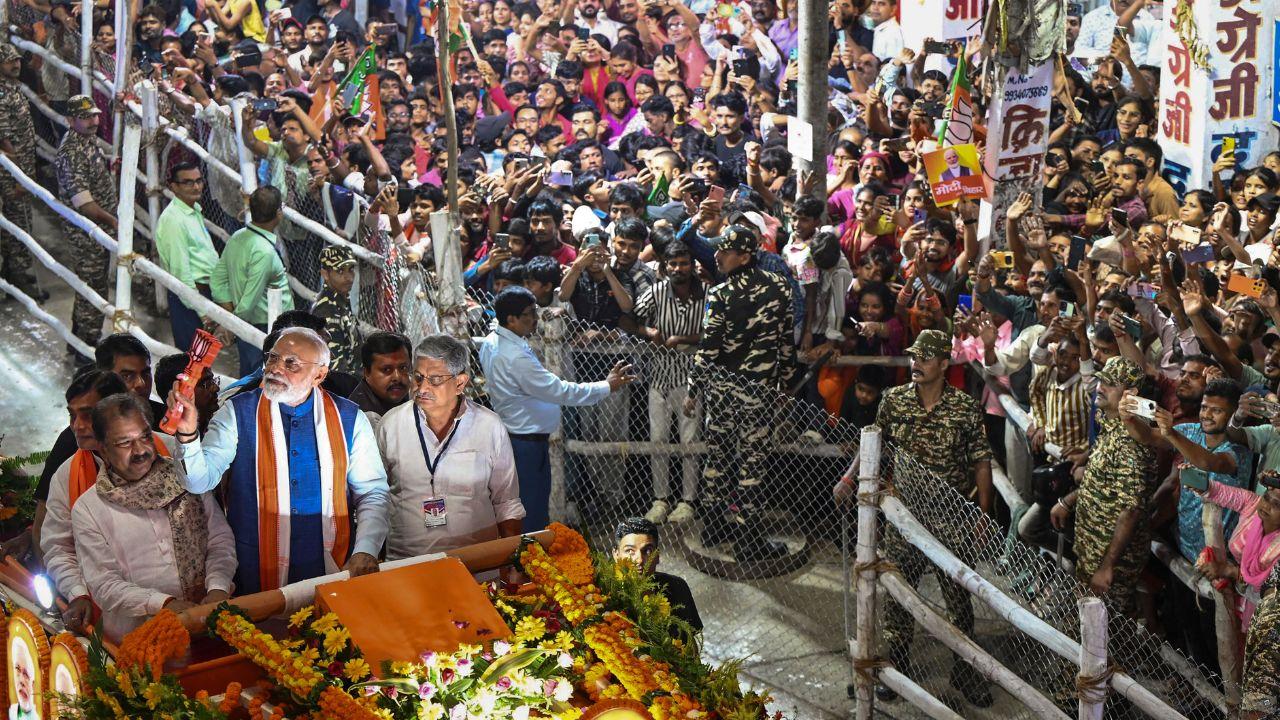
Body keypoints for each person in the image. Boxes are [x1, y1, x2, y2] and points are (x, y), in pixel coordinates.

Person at [169, 327, 389, 594]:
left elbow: (372, 493)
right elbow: (199, 482)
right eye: (273, 358)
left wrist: (365, 549)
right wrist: (188, 434)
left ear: (319, 374)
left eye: (291, 363)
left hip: (332, 567)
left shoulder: (350, 418)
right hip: (254, 571)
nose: (275, 368)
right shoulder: (237, 412)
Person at [868, 329, 994, 707]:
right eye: (913, 356)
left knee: (958, 599)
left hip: (951, 519)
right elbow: (875, 444)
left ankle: (964, 669)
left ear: (944, 363)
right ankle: (898, 663)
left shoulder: (965, 408)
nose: (915, 363)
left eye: (924, 357)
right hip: (904, 517)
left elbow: (981, 462)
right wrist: (858, 482)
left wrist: (983, 515)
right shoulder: (893, 400)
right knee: (898, 593)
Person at [71, 393, 235, 642]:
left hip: (210, 622)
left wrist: (217, 588)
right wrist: (162, 604)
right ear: (103, 448)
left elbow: (220, 541)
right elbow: (104, 584)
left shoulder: (186, 479)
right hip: (141, 640)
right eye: (125, 443)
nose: (140, 451)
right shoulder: (89, 508)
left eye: (145, 437)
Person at [478, 286, 636, 532]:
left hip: (518, 437)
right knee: (532, 510)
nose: (536, 318)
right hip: (526, 444)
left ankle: (529, 558)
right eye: (530, 313)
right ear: (511, 319)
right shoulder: (514, 357)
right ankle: (531, 562)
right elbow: (562, 391)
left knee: (526, 507)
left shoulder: (492, 340)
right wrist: (607, 386)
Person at [686, 224, 796, 562]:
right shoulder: (780, 286)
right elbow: (786, 340)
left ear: (745, 256)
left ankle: (715, 526)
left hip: (722, 392)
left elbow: (709, 347)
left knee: (717, 456)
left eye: (724, 251)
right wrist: (788, 383)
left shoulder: (720, 294)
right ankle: (748, 538)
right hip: (759, 392)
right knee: (753, 463)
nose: (717, 256)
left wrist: (694, 388)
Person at [39, 370, 175, 633]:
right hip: (116, 621)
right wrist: (78, 592)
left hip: (189, 609)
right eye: (72, 415)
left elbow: (213, 535)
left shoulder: (173, 453)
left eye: (87, 415)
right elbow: (58, 547)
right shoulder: (68, 475)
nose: (76, 425)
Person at [376, 335, 524, 557]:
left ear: (460, 383)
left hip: (476, 564)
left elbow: (506, 502)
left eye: (435, 380)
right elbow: (375, 497)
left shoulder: (488, 426)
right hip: (407, 564)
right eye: (418, 377)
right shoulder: (391, 424)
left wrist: (513, 560)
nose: (422, 387)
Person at [1052, 357, 1158, 618]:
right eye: (1102, 380)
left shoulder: (1131, 444)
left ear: (1131, 394)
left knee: (1105, 637)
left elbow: (1131, 510)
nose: (1100, 387)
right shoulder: (1111, 424)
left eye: (1110, 384)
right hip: (1092, 549)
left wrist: (1106, 566)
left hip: (1111, 561)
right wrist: (1070, 501)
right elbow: (1103, 482)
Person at [635, 241, 705, 525]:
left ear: (692, 265)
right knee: (658, 439)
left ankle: (687, 501)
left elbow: (712, 333)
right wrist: (649, 331)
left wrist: (683, 340)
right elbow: (629, 320)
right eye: (673, 264)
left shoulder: (706, 293)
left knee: (690, 440)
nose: (678, 269)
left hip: (691, 379)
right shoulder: (656, 291)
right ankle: (660, 499)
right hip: (659, 377)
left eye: (684, 263)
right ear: (664, 266)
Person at [53, 95, 118, 352]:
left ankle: (82, 338)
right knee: (91, 284)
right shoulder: (71, 153)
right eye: (86, 117)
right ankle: (85, 344)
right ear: (71, 120)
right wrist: (113, 222)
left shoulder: (86, 141)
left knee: (94, 283)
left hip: (96, 228)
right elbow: (84, 204)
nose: (93, 121)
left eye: (94, 115)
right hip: (86, 231)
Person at [211, 186, 296, 376]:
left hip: (246, 322)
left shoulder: (237, 237)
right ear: (278, 214)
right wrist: (231, 324)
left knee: (251, 377)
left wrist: (229, 315)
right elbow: (249, 300)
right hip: (265, 327)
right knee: (262, 381)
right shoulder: (263, 251)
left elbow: (217, 280)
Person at [154, 162, 219, 351]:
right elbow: (180, 272)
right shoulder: (173, 220)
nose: (196, 186)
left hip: (200, 296)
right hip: (190, 298)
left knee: (200, 362)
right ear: (173, 186)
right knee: (192, 363)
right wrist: (202, 311)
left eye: (199, 181)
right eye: (188, 182)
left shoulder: (193, 210)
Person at [0, 43, 42, 302]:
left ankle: (14, 271)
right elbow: (3, 136)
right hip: (13, 169)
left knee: (22, 216)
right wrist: (17, 174)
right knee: (17, 217)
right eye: (8, 62)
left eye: (16, 60)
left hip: (23, 163)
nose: (15, 65)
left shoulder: (12, 89)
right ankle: (16, 273)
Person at [613, 517, 702, 632]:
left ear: (657, 555)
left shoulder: (677, 587)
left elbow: (691, 644)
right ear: (616, 555)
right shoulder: (605, 592)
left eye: (647, 551)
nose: (639, 560)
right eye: (630, 551)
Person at [309, 245, 362, 374]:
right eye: (340, 271)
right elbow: (335, 369)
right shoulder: (327, 311)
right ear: (325, 274)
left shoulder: (340, 300)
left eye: (351, 270)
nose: (348, 277)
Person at [348, 331, 414, 422]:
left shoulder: (418, 391)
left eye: (403, 368)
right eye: (386, 370)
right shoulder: (363, 418)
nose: (397, 377)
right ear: (367, 372)